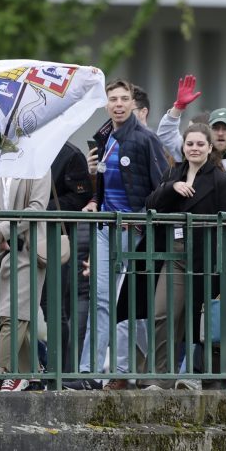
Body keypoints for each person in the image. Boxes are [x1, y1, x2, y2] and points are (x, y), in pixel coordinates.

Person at [120, 123, 226, 390]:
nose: (194, 149)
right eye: (190, 144)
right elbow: (151, 204)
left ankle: (207, 378)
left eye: (200, 144)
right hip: (172, 255)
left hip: (207, 261)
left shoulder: (222, 180)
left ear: (210, 148)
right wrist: (172, 188)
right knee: (162, 312)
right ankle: (160, 375)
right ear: (183, 147)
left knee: (202, 320)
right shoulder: (173, 172)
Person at [75, 79, 169, 389]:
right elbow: (105, 181)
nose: (117, 103)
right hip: (105, 227)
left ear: (133, 104)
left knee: (128, 305)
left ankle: (154, 369)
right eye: (112, 98)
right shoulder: (105, 137)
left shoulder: (145, 139)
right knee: (100, 301)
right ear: (106, 104)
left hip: (134, 231)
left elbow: (161, 187)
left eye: (123, 99)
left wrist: (142, 219)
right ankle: (90, 373)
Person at [40, 142, 92, 383]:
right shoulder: (23, 147)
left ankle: (57, 371)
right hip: (21, 237)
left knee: (53, 307)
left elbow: (81, 196)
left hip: (54, 238)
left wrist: (42, 209)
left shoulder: (71, 154)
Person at [0, 172, 51, 391]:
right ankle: (32, 375)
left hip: (30, 248)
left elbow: (37, 207)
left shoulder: (39, 165)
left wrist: (2, 230)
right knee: (13, 315)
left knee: (12, 315)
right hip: (6, 250)